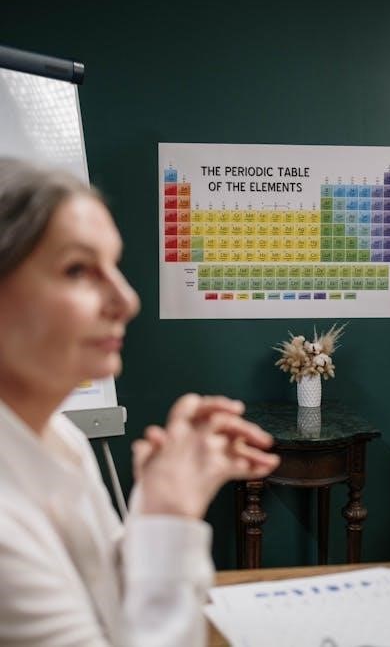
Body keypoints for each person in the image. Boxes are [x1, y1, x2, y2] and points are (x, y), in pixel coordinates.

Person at [0, 158, 279, 647]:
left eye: (114, 266)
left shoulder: (58, 436)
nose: (127, 300)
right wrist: (171, 513)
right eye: (77, 269)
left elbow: (111, 609)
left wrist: (153, 505)